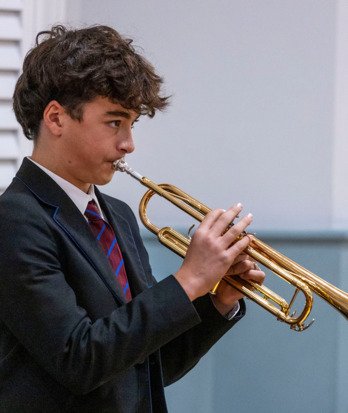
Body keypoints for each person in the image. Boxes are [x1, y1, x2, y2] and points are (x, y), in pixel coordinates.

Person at [0, 25, 265, 412]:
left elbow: (151, 364)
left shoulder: (118, 215)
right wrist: (189, 279)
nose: (128, 144)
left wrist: (219, 298)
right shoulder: (14, 219)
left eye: (132, 124)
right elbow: (79, 359)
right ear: (56, 118)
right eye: (114, 122)